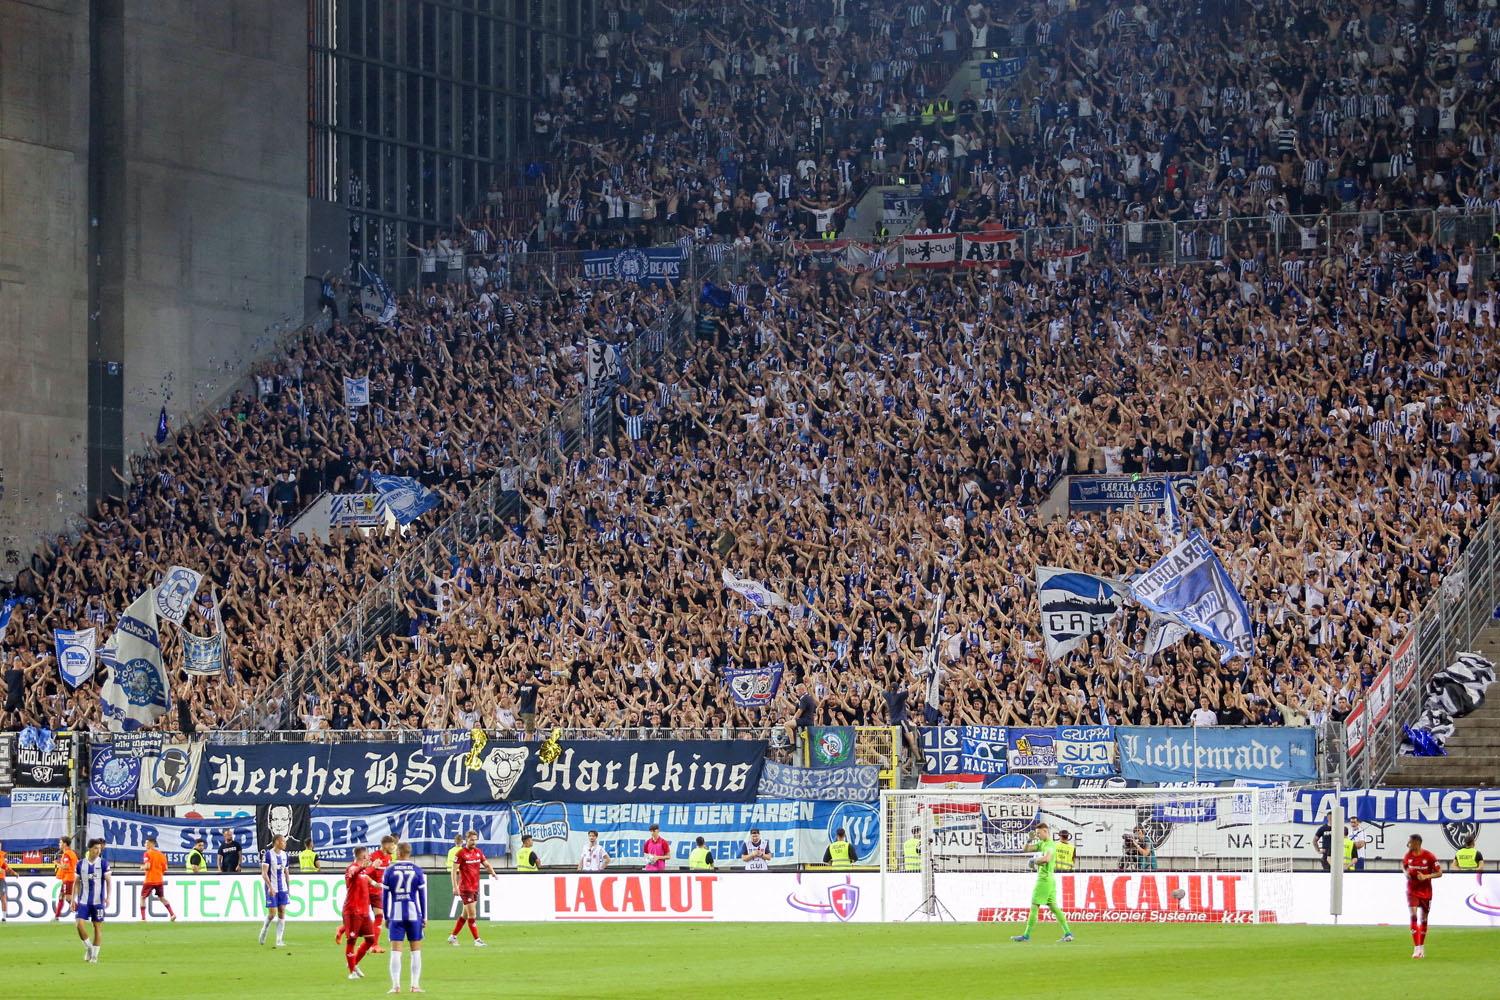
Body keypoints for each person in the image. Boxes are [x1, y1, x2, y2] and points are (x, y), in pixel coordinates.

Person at [1011, 822, 1073, 944]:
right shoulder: (1042, 844)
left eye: (1039, 833)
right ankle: (1068, 934)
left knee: (1035, 905)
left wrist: (1034, 860)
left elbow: (1047, 859)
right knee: (1054, 907)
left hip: (1044, 879)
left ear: (1045, 831)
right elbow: (1026, 849)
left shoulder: (1049, 845)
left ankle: (1026, 935)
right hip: (1050, 880)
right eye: (1036, 833)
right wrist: (1029, 840)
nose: (1038, 835)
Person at [383, 841, 427, 994]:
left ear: (399, 853)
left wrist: (386, 916)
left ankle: (396, 986)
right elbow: (422, 895)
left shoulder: (389, 870)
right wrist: (424, 916)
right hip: (414, 914)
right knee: (416, 951)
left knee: (396, 951)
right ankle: (415, 985)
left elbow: (385, 896)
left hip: (396, 914)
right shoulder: (417, 870)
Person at [448, 829, 495, 946]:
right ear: (466, 840)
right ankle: (477, 940)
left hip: (474, 887)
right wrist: (455, 887)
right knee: (472, 915)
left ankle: (453, 937)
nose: (474, 842)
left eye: (475, 840)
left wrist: (493, 872)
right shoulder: (461, 854)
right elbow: (454, 870)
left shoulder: (478, 852)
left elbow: (486, 864)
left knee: (465, 915)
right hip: (465, 888)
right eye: (471, 840)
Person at [1402, 834, 1442, 959]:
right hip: (1412, 890)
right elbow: (1404, 867)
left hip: (1426, 891)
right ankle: (1416, 948)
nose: (1408, 844)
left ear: (1417, 843)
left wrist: (1426, 876)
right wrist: (1406, 873)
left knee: (1424, 919)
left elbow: (1439, 872)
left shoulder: (1429, 856)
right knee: (1413, 916)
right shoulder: (1408, 856)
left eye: (1410, 842)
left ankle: (1422, 946)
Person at [342, 846, 380, 979]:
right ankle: (352, 972)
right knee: (351, 941)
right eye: (367, 855)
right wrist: (368, 867)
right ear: (363, 856)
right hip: (353, 911)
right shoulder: (351, 868)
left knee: (370, 940)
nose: (369, 857)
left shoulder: (364, 872)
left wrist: (374, 869)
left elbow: (369, 877)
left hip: (364, 912)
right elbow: (354, 873)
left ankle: (354, 962)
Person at [74, 838, 110, 963]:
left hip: (98, 901)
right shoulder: (80, 864)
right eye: (95, 848)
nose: (98, 851)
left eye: (99, 849)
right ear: (89, 849)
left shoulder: (103, 863)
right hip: (83, 900)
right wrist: (73, 899)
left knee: (97, 927)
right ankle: (89, 948)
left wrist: (108, 897)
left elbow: (108, 881)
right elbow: (76, 883)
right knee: (79, 924)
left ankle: (94, 956)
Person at [259, 833, 290, 947]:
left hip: (283, 888)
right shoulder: (268, 855)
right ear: (276, 842)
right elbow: (264, 873)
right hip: (272, 888)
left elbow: (286, 873)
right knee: (272, 914)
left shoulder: (285, 855)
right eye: (283, 841)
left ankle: (279, 940)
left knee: (282, 912)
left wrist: (288, 889)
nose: (285, 843)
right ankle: (264, 931)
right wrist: (270, 887)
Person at [368, 834, 397, 952]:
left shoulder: (389, 858)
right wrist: (374, 883)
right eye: (392, 845)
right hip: (366, 890)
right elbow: (364, 873)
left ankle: (374, 945)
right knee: (359, 918)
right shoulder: (373, 857)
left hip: (377, 892)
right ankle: (342, 929)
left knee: (379, 916)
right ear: (385, 845)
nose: (393, 847)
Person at [139, 837, 176, 922]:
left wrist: (142, 867)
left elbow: (147, 866)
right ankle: (172, 914)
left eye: (146, 843)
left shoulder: (147, 854)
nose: (145, 845)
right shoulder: (161, 855)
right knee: (162, 897)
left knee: (142, 898)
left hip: (150, 880)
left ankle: (143, 918)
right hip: (159, 880)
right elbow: (165, 867)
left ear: (150, 844)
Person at [53, 835, 77, 921]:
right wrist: (60, 863)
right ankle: (56, 917)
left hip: (68, 878)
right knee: (61, 896)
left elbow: (66, 867)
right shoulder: (71, 853)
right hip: (67, 878)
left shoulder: (67, 854)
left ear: (65, 844)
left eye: (60, 842)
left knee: (68, 898)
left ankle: (83, 912)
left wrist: (57, 864)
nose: (59, 844)